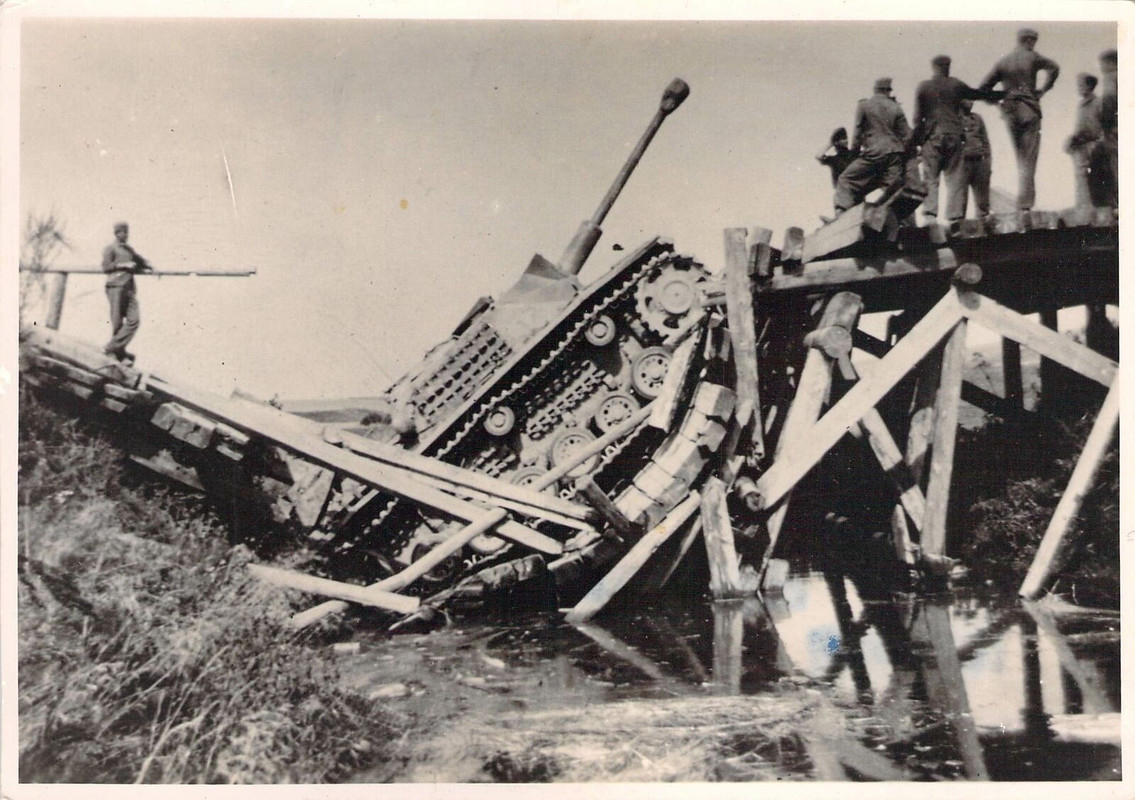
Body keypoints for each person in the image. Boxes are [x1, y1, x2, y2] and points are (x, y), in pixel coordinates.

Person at [978, 28, 1060, 213]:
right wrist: (1043, 90)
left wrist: (1000, 102)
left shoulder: (1003, 62)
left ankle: (1023, 202)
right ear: (1030, 41)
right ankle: (1025, 204)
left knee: (1020, 158)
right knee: (1029, 159)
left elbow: (983, 89)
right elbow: (1055, 68)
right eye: (1033, 42)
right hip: (1029, 110)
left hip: (1010, 113)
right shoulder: (1033, 57)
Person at [910, 55, 1001, 222]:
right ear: (948, 67)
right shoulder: (955, 84)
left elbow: (917, 119)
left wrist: (918, 141)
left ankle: (930, 216)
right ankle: (955, 218)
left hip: (933, 136)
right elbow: (977, 94)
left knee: (931, 177)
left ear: (933, 67)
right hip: (954, 136)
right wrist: (1001, 94)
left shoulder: (923, 87)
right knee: (955, 178)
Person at [833, 78, 912, 215]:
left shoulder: (864, 105)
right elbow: (908, 135)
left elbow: (857, 134)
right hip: (895, 154)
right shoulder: (896, 107)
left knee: (846, 180)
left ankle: (841, 215)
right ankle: (905, 222)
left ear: (875, 90)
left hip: (874, 153)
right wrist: (901, 152)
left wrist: (854, 154)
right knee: (893, 189)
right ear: (887, 91)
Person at [101, 221, 152, 364]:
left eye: (127, 232)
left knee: (134, 320)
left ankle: (112, 348)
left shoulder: (129, 250)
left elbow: (140, 260)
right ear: (117, 233)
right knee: (117, 322)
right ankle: (118, 354)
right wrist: (124, 265)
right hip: (115, 286)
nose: (126, 235)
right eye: (123, 232)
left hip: (129, 287)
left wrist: (149, 265)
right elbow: (105, 267)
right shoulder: (110, 248)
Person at [945, 99, 992, 223]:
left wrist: (988, 163)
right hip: (961, 163)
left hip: (979, 162)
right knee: (958, 202)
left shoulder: (977, 119)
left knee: (983, 203)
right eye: (967, 99)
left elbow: (985, 142)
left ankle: (984, 225)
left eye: (972, 100)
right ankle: (957, 227)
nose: (971, 102)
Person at [1064, 73, 1103, 208]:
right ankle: (1084, 208)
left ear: (1090, 86)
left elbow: (1096, 128)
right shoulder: (1081, 105)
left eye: (1082, 85)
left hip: (1093, 144)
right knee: (1081, 178)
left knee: (1094, 177)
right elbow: (1080, 127)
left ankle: (1094, 208)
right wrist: (1072, 140)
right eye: (1078, 85)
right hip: (1081, 146)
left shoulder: (1098, 103)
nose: (1079, 88)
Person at [1091, 48, 1118, 208]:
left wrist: (1104, 125)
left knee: (1114, 166)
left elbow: (1109, 100)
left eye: (1103, 64)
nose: (1101, 67)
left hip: (1113, 129)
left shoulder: (1110, 77)